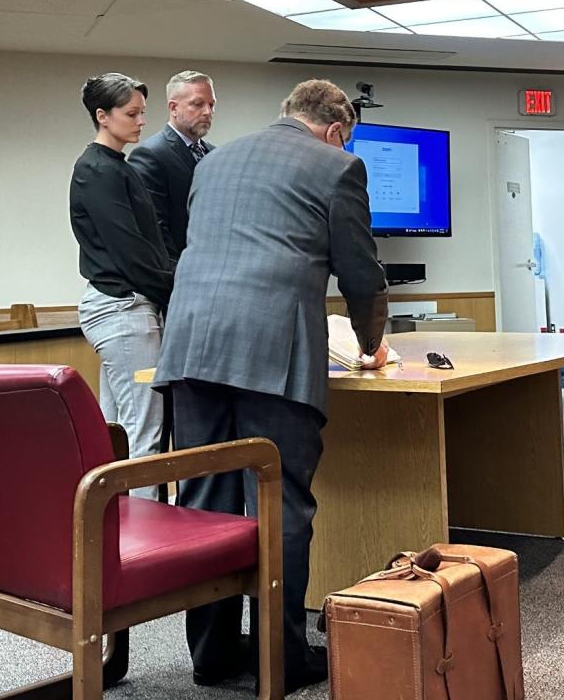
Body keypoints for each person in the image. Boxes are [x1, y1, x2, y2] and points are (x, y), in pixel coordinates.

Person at [153, 78, 389, 692]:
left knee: (205, 499)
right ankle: (278, 660)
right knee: (280, 502)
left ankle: (210, 656)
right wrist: (370, 345)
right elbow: (361, 276)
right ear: (337, 129)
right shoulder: (339, 165)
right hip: (273, 352)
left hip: (190, 344)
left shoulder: (215, 159)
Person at [69, 73, 173, 498]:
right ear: (102, 116)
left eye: (142, 113)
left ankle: (117, 541)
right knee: (143, 437)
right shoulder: (97, 171)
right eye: (131, 114)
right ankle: (145, 545)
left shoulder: (117, 168)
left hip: (122, 308)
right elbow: (132, 254)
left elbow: (148, 246)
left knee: (117, 438)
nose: (141, 122)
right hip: (122, 308)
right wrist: (179, 290)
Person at [127, 70, 217, 262]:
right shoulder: (150, 155)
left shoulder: (214, 154)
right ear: (173, 108)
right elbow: (153, 228)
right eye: (198, 104)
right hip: (176, 272)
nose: (207, 112)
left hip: (212, 265)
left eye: (211, 104)